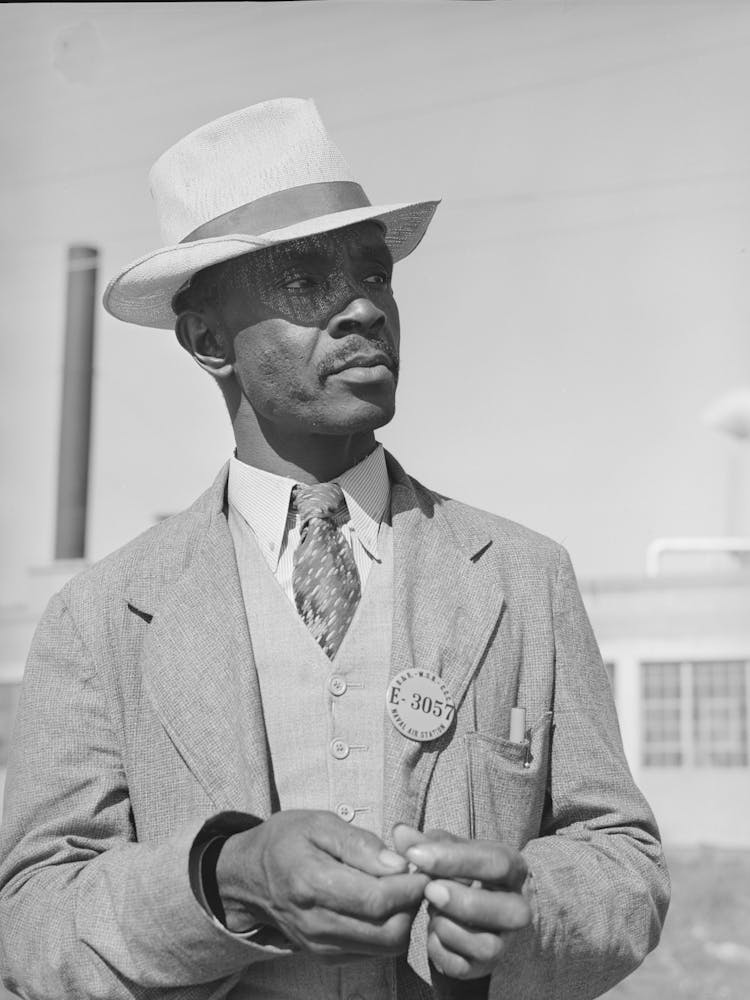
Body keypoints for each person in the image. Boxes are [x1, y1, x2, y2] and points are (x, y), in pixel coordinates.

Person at [0, 98, 669, 1000]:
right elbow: (34, 919)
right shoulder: (101, 618)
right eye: (307, 282)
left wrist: (530, 909)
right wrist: (227, 875)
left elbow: (622, 858)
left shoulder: (522, 576)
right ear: (205, 339)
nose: (364, 309)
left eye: (375, 274)